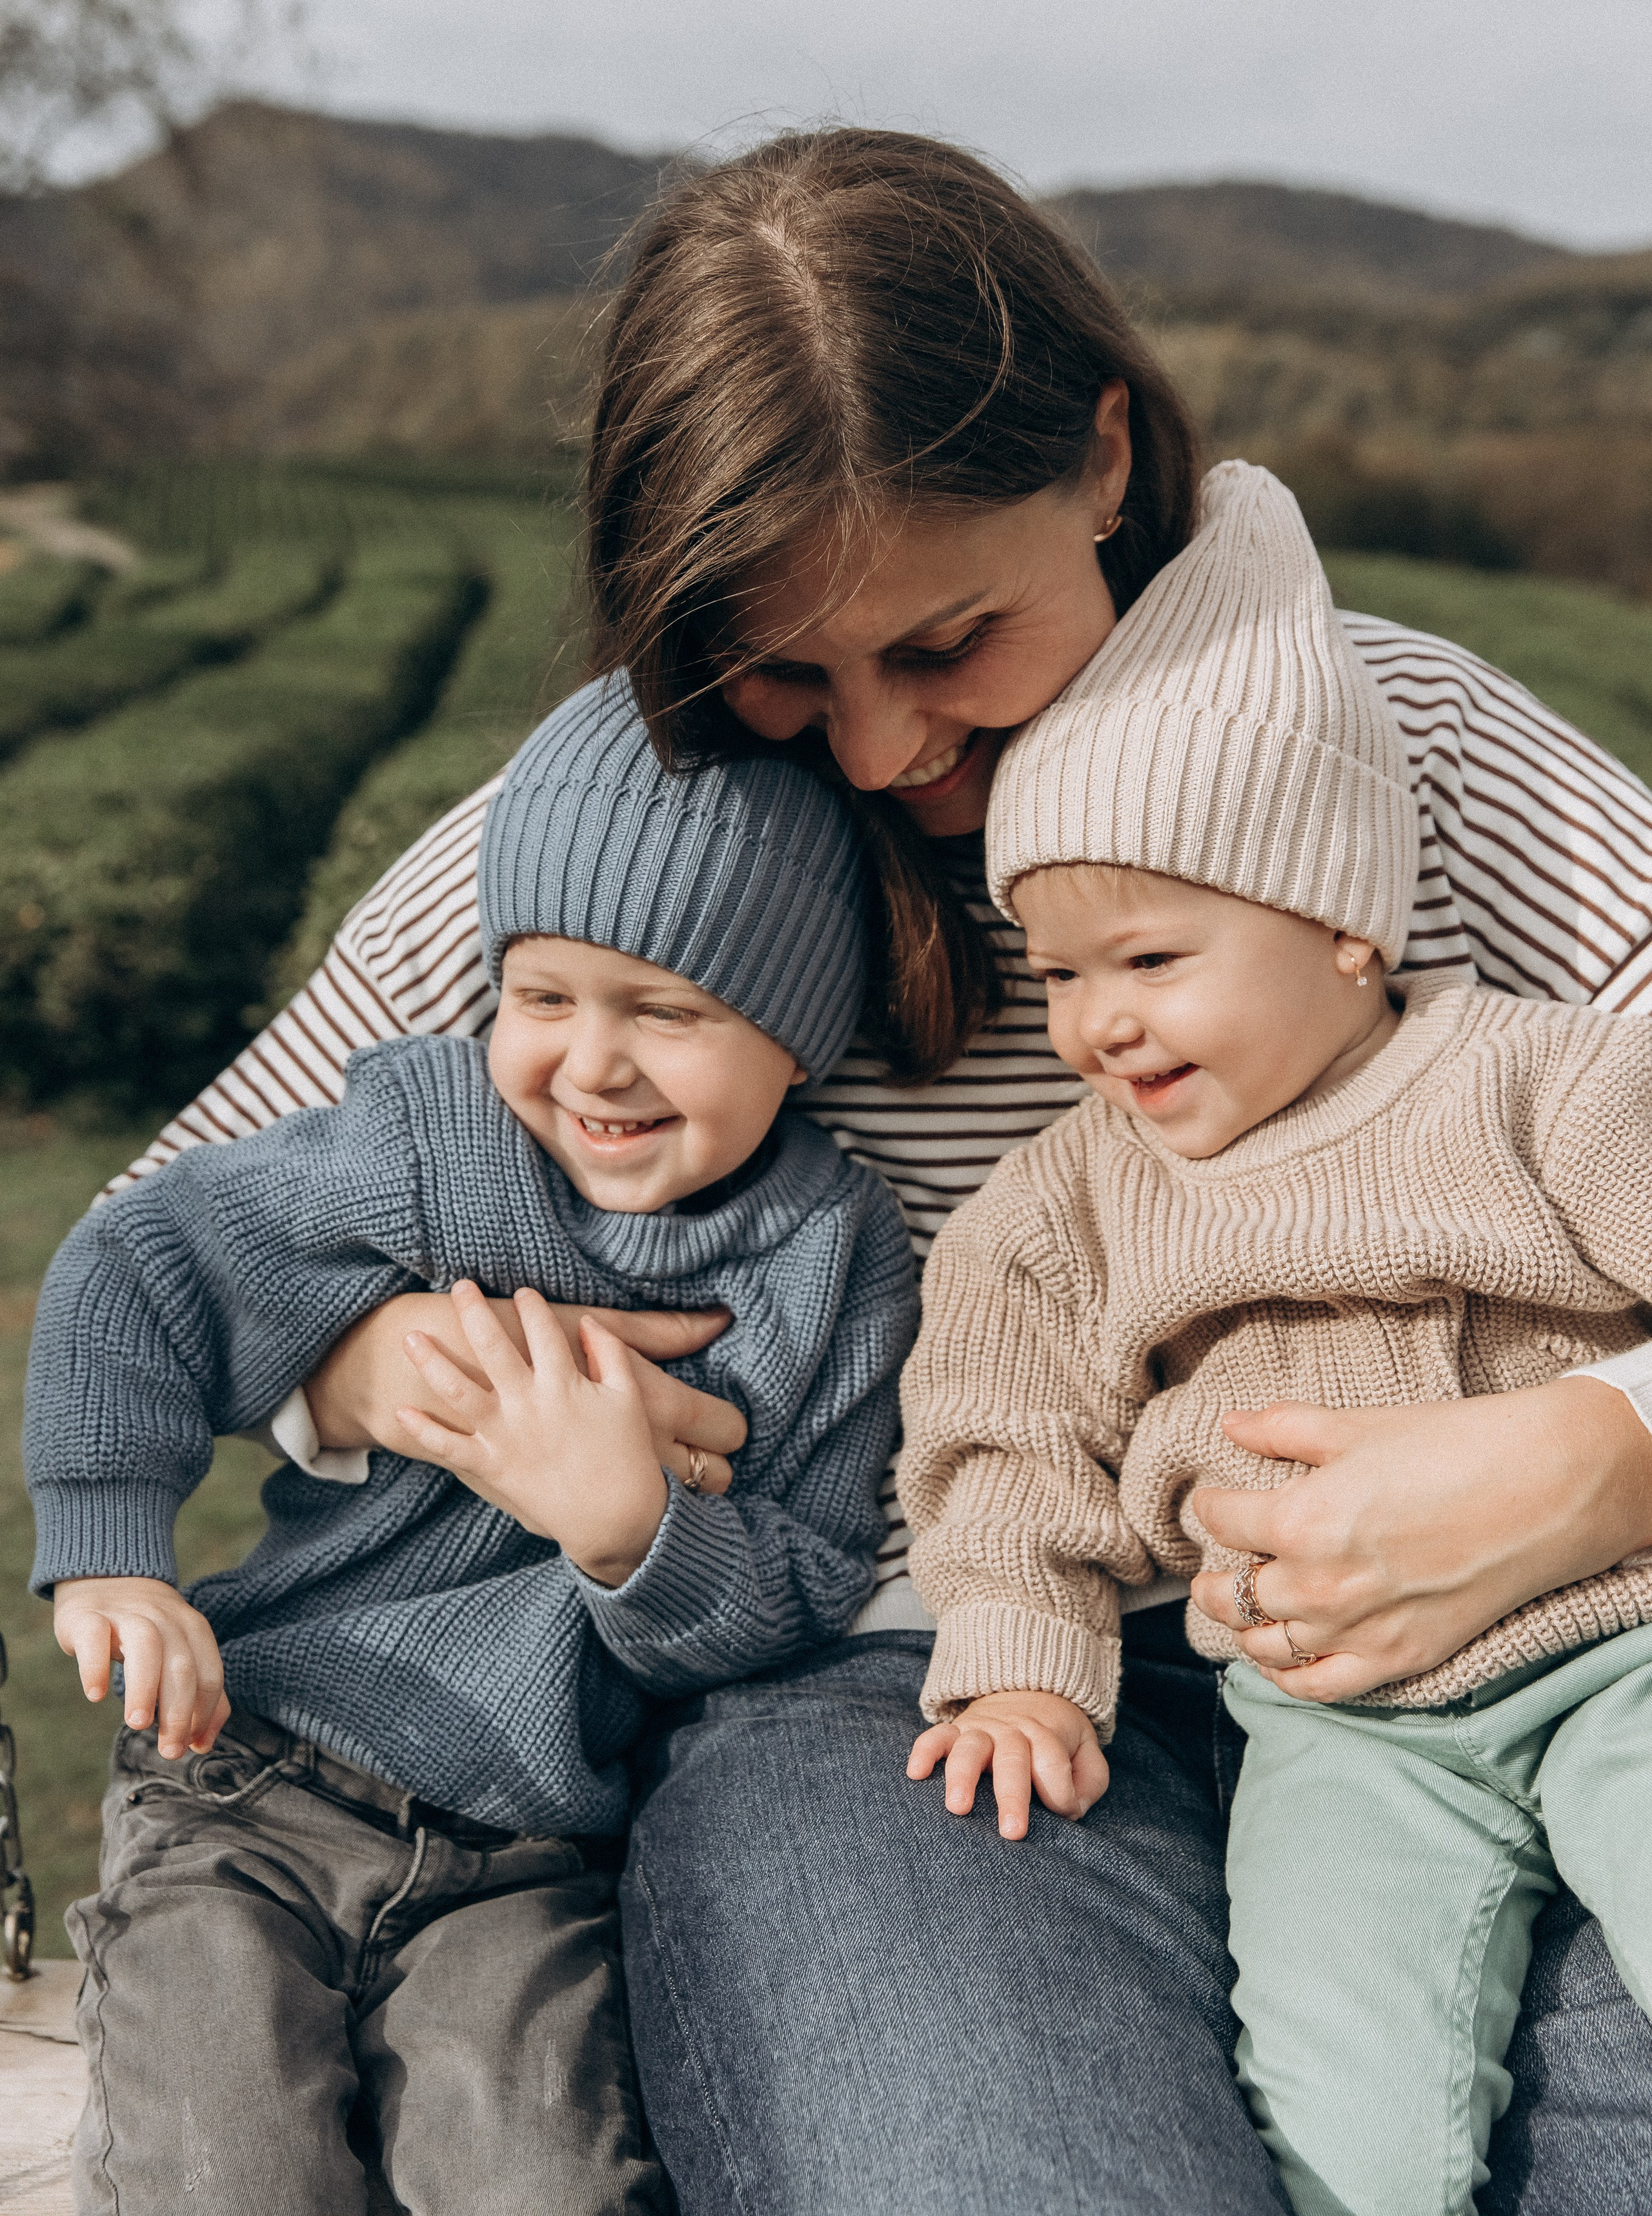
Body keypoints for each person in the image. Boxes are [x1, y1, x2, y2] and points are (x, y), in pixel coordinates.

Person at [112, 131, 1652, 2212]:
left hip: (1529, 1651)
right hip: (903, 1693)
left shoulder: (1394, 753)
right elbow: (175, 1223)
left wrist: (1596, 1451)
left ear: (1105, 462)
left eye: (946, 643)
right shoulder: (626, 850)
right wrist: (397, 1365)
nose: (872, 753)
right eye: (784, 667)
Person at [26, 678, 916, 2216]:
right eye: (544, 996)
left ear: (798, 1032)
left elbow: (805, 1582)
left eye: (668, 1012)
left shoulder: (831, 1258)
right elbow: (145, 1263)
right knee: (227, 2170)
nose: (590, 1064)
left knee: (541, 2183)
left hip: (524, 1851)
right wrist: (109, 1548)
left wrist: (631, 1528)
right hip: (256, 1777)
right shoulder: (433, 1138)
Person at [900, 458, 1652, 2216]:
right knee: (1345, 2110)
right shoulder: (1066, 1209)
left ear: (1342, 928)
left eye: (1151, 960)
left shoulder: (1542, 1085)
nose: (1096, 1024)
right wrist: (1018, 1657)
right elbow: (1000, 1448)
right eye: (1058, 974)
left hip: (1625, 1647)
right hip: (1340, 1725)